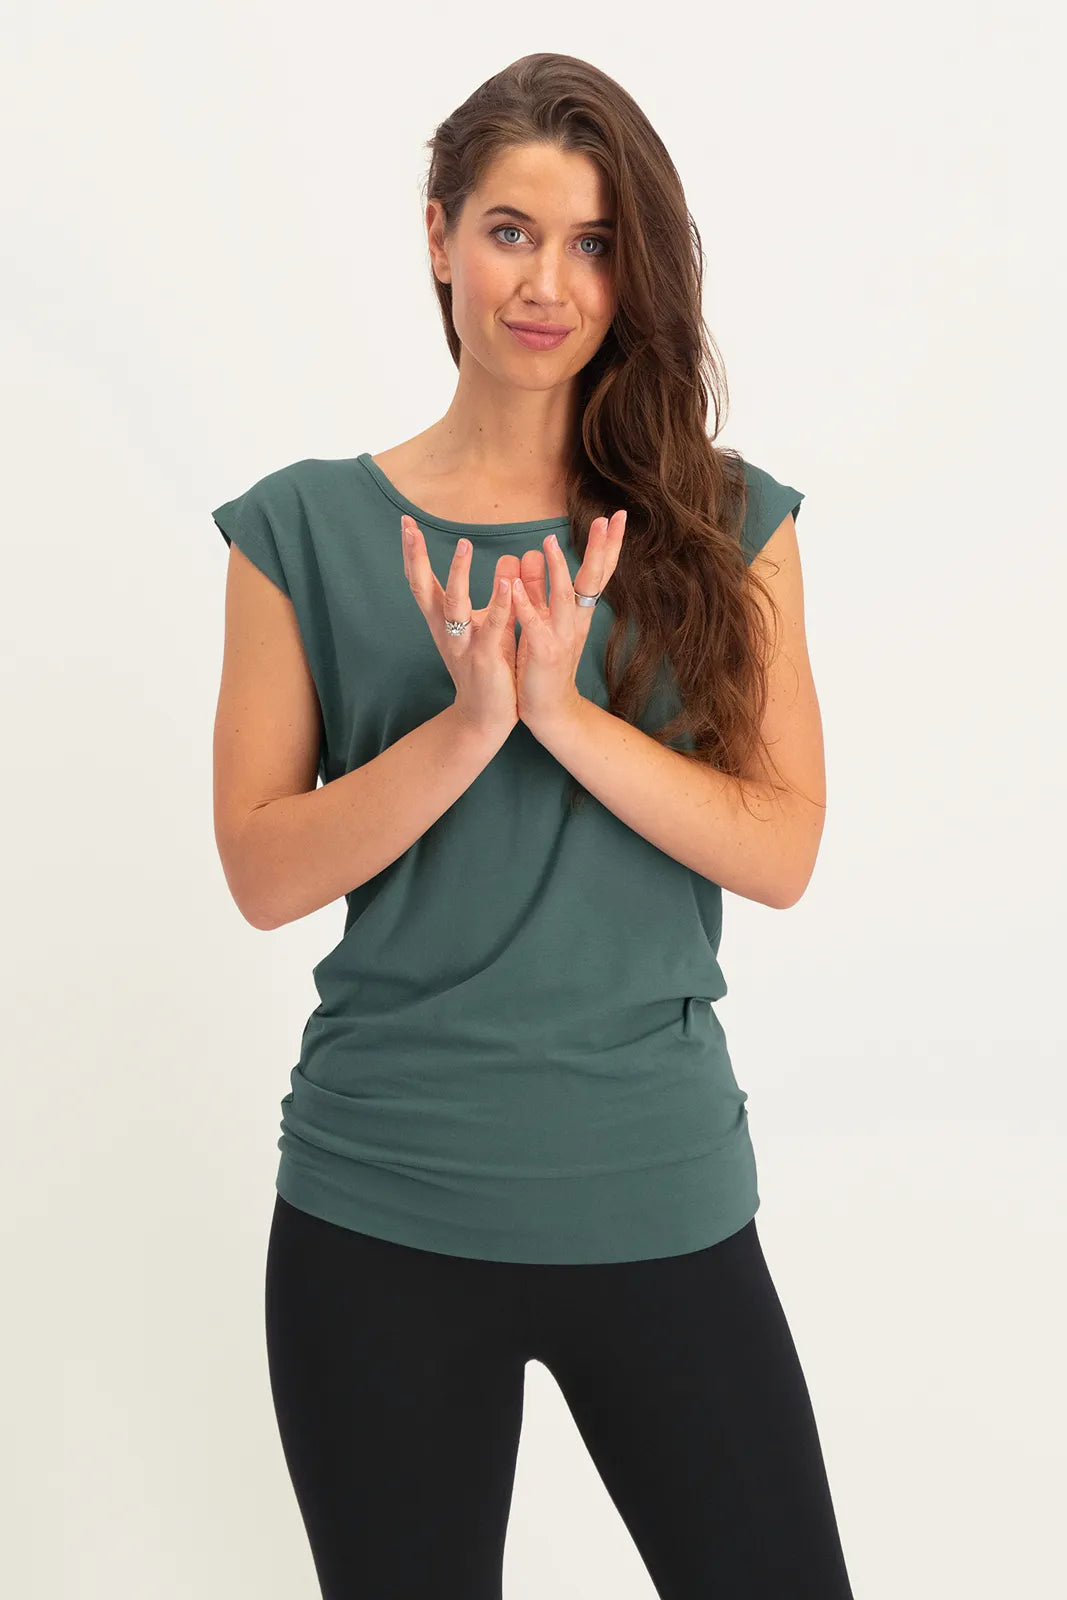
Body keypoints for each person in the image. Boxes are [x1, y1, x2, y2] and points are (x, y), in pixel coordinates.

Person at [210, 51, 852, 1600]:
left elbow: (781, 851)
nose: (548, 283)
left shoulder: (726, 524)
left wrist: (563, 716)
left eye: (592, 242)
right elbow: (262, 871)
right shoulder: (304, 529)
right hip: (380, 1206)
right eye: (510, 231)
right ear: (439, 237)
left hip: (658, 1188)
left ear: (635, 270)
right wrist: (468, 724)